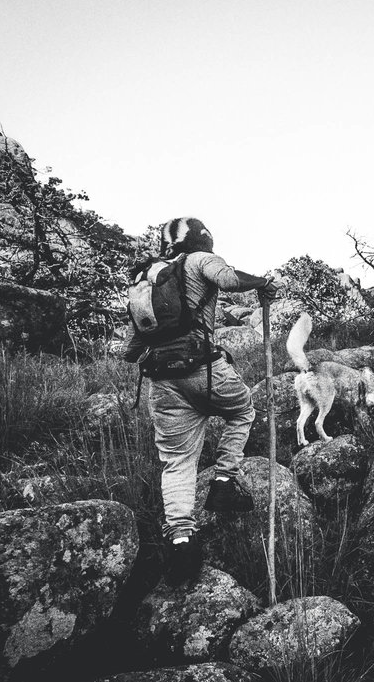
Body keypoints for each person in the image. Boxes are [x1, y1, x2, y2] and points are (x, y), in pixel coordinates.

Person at [123, 217, 278, 584]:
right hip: (203, 370)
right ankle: (224, 480)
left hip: (160, 380)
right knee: (242, 410)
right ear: (202, 239)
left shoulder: (147, 276)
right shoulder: (197, 261)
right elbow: (229, 279)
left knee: (177, 462)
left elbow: (133, 346)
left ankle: (181, 541)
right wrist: (264, 283)